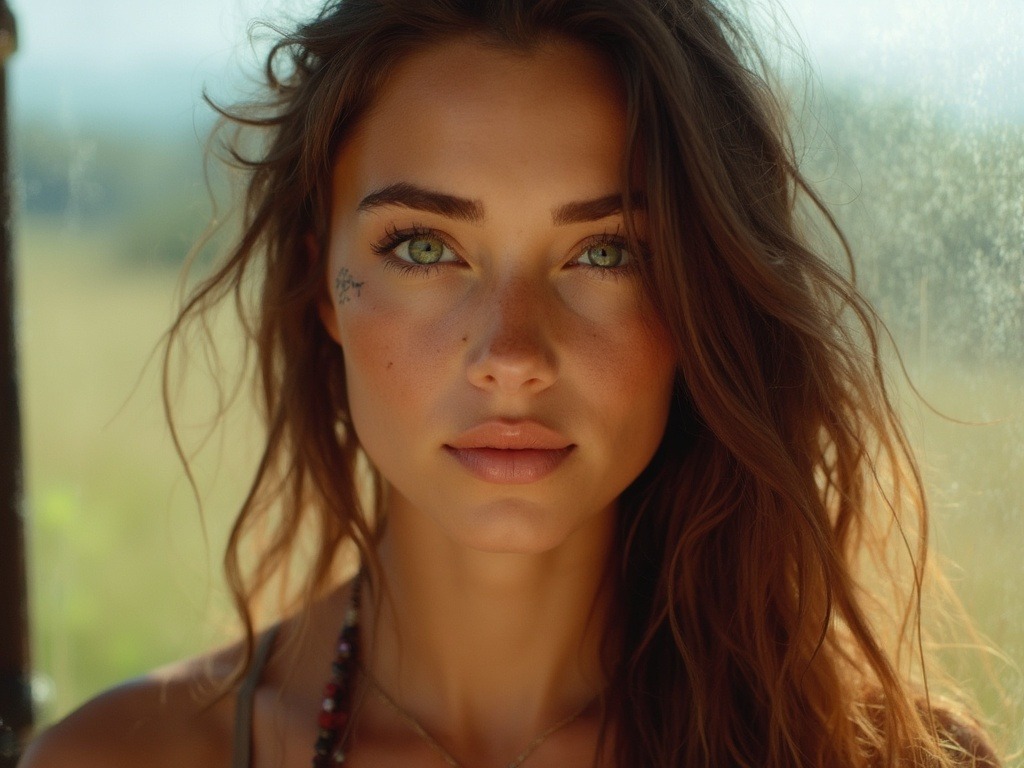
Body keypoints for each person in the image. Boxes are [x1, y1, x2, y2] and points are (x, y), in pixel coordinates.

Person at [19, 0, 1001, 766]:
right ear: (322, 286)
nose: (513, 352)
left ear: (702, 303)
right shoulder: (119, 760)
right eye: (424, 245)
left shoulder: (882, 757)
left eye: (607, 253)